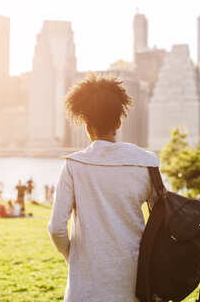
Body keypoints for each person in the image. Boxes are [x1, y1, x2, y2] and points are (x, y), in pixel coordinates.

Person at [47, 74, 159, 301]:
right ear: (119, 123)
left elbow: (56, 228)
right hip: (135, 283)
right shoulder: (147, 162)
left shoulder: (74, 165)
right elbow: (161, 222)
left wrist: (76, 258)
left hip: (85, 288)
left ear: (86, 125)